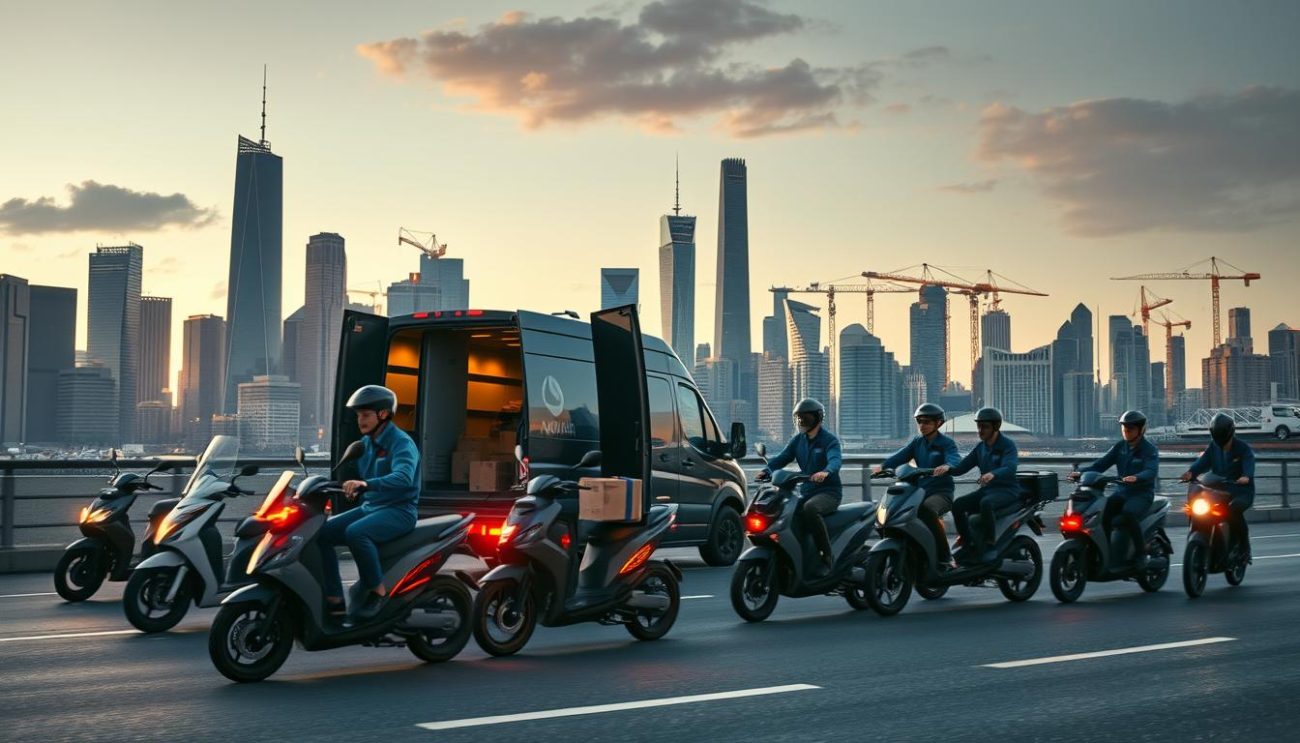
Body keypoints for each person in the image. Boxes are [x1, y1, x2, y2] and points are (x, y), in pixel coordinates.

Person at [318, 385, 420, 622]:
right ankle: (334, 598)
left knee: (356, 533)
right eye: (358, 416)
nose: (360, 420)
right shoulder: (365, 444)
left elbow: (404, 477)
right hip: (371, 507)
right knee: (321, 532)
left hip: (399, 510)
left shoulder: (401, 442)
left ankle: (377, 592)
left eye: (365, 415)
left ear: (383, 414)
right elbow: (358, 477)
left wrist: (366, 485)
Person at [757, 398, 843, 575]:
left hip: (828, 492)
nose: (802, 422)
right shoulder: (798, 440)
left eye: (806, 418)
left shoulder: (829, 440)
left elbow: (835, 459)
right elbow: (782, 458)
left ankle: (826, 556)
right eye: (799, 418)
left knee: (810, 509)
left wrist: (827, 471)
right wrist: (767, 471)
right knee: (784, 512)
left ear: (817, 418)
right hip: (806, 490)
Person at [1069, 410, 1159, 566]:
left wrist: (1137, 477)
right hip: (1121, 493)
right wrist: (1080, 473)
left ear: (1141, 430)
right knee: (1100, 513)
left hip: (1141, 495)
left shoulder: (1149, 450)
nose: (1126, 431)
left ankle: (1141, 552)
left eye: (1130, 428)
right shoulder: (1120, 447)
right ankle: (1106, 552)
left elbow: (1151, 471)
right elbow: (1100, 465)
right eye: (1124, 428)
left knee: (1128, 514)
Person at [875, 403, 962, 565]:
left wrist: (947, 466)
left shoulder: (946, 443)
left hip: (941, 493)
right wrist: (883, 467)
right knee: (896, 511)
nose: (922, 425)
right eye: (920, 421)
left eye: (927, 422)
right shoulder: (917, 442)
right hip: (919, 491)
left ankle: (945, 556)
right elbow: (899, 457)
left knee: (926, 510)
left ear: (938, 423)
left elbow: (954, 457)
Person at [941, 407, 1020, 564]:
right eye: (979, 426)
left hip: (1007, 491)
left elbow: (1010, 467)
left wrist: (993, 474)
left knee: (986, 503)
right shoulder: (980, 448)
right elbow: (962, 468)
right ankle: (968, 542)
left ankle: (990, 545)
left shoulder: (1007, 445)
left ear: (995, 427)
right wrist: (946, 468)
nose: (980, 430)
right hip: (988, 490)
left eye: (985, 426)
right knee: (958, 504)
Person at [1180, 412, 1255, 561]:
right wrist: (1190, 472)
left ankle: (1245, 548)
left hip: (1241, 491)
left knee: (1233, 511)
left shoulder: (1242, 448)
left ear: (1229, 432)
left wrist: (1246, 476)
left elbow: (1249, 461)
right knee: (1196, 508)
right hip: (1218, 490)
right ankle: (1201, 537)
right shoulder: (1213, 447)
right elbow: (1202, 463)